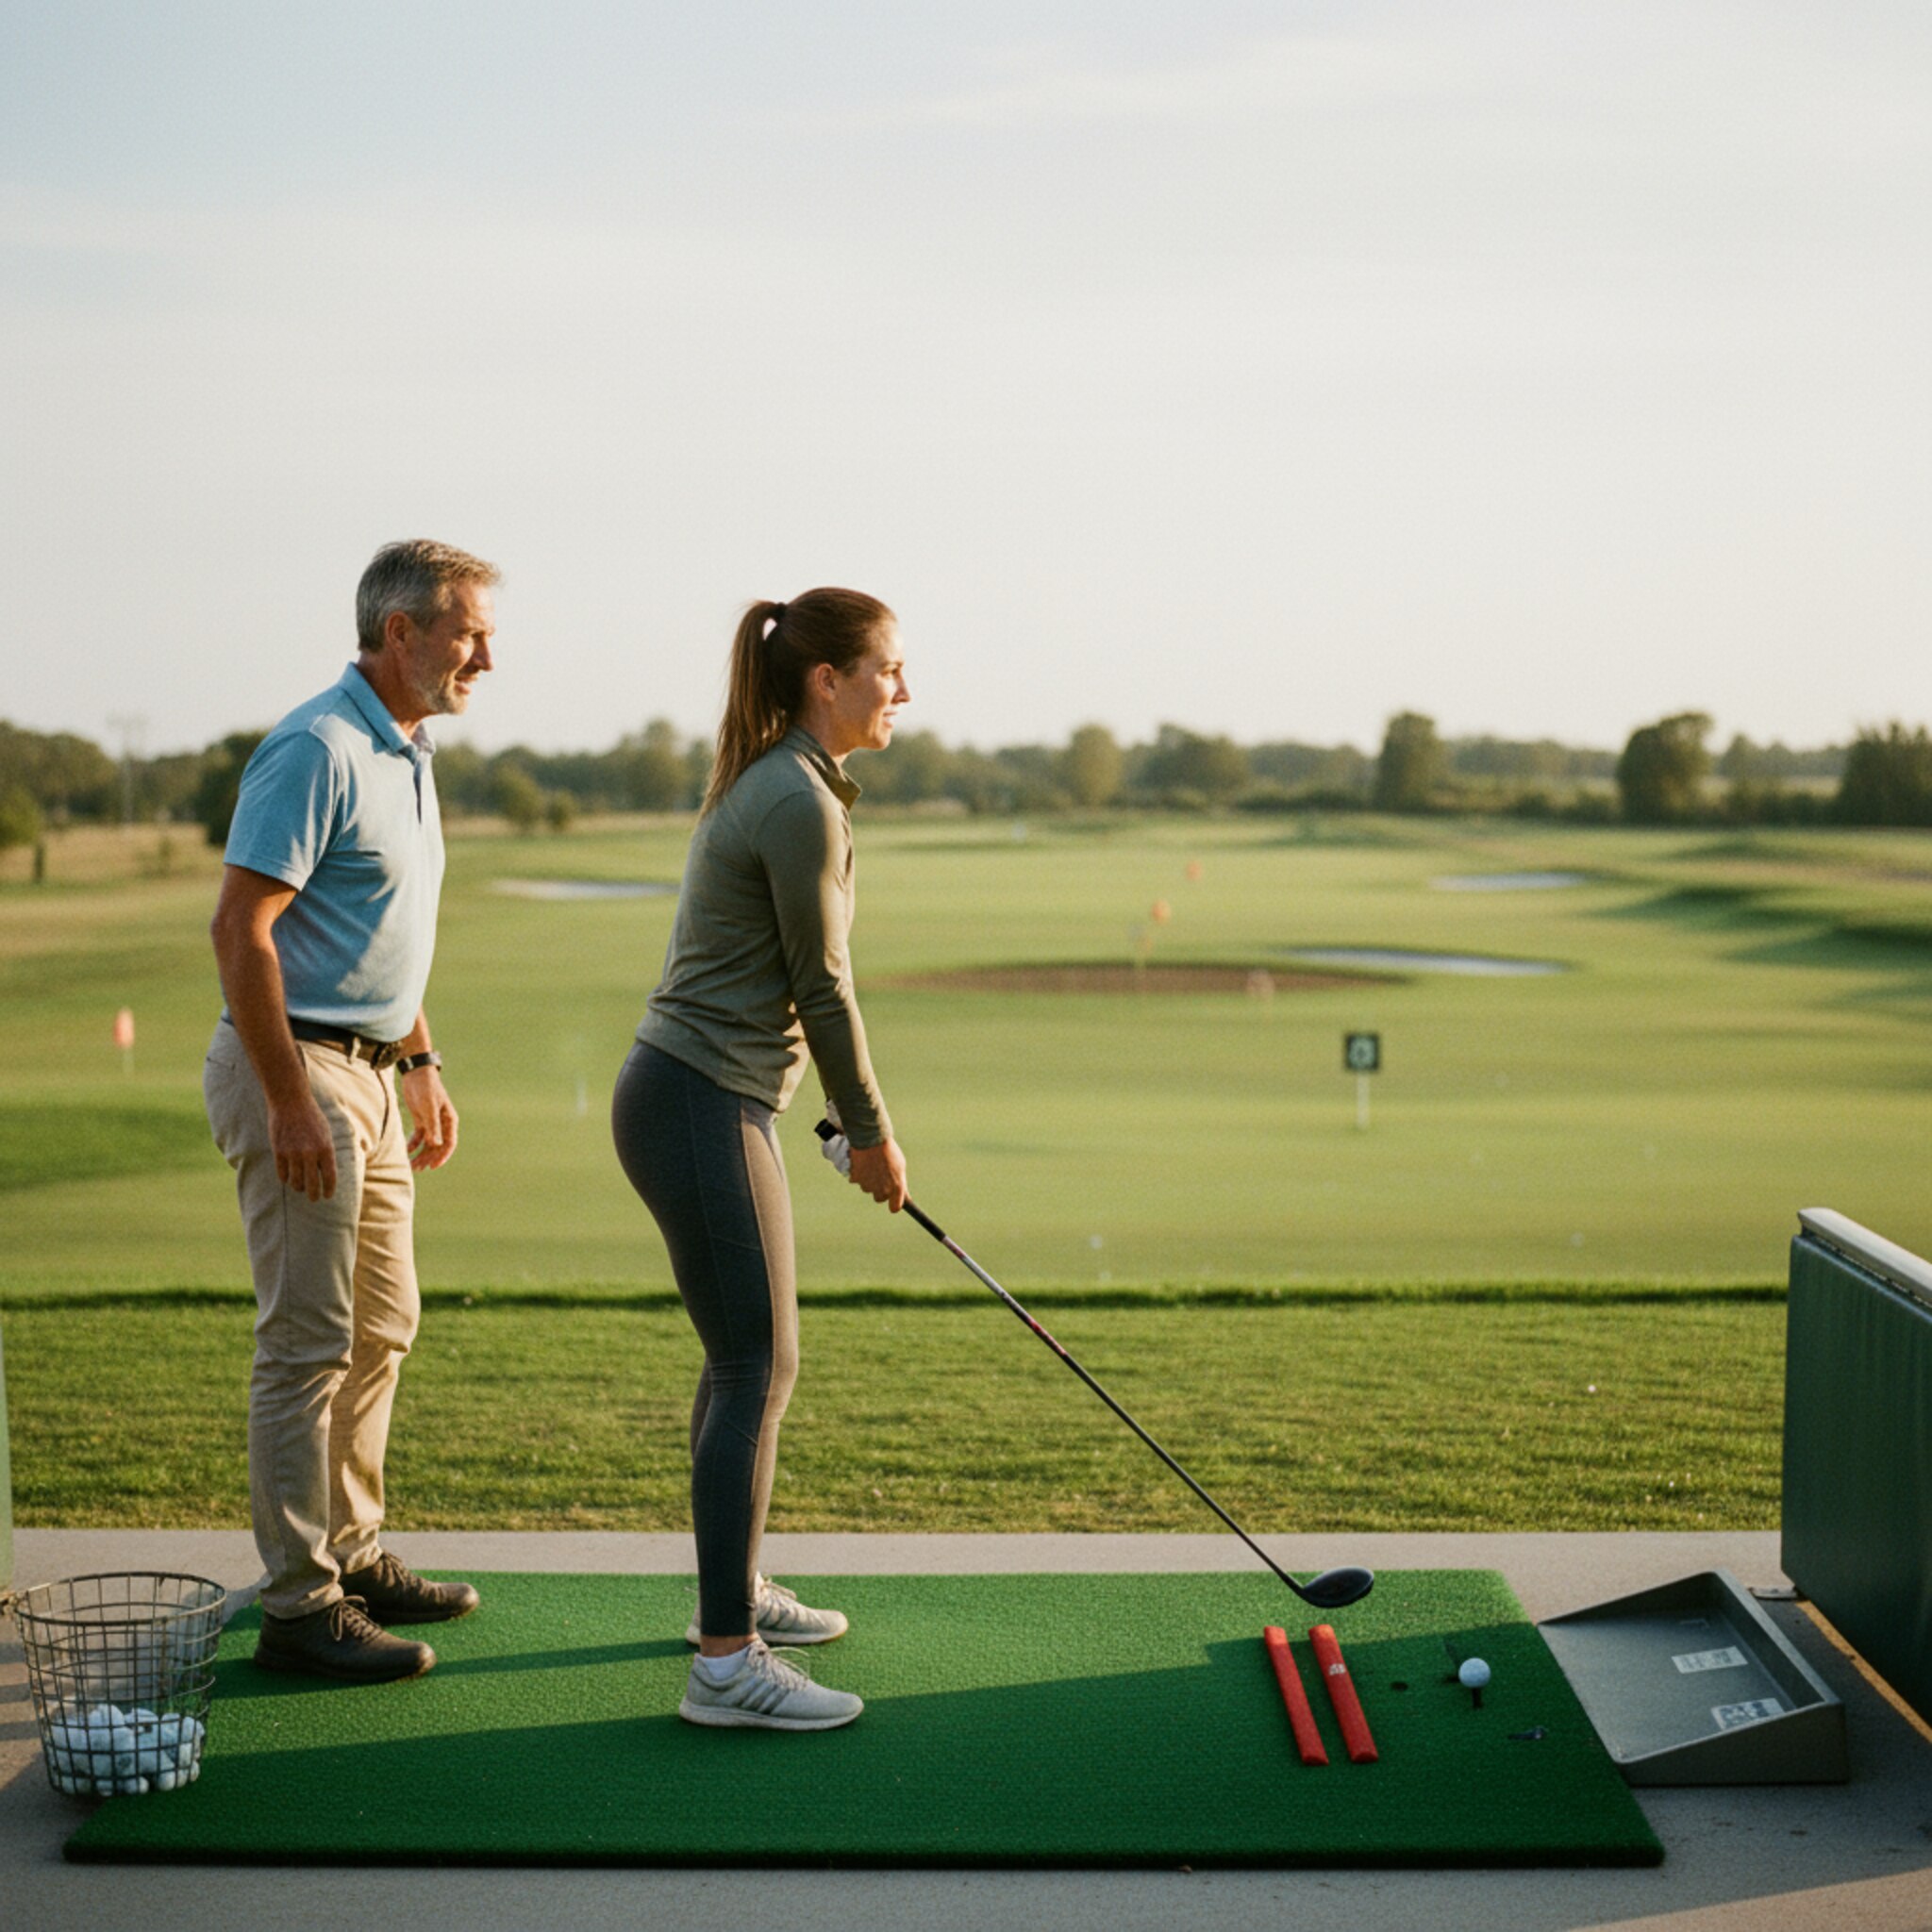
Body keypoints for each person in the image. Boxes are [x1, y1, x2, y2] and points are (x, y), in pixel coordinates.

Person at [612, 588, 910, 1732]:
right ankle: (726, 1663)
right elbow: (822, 987)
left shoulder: (787, 781)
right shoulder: (794, 796)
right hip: (698, 1099)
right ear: (825, 678)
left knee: (742, 1357)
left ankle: (728, 1597)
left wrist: (835, 1121)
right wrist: (869, 1128)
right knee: (758, 1362)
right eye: (886, 667)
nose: (902, 688)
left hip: (698, 1096)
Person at [204, 539, 498, 1683]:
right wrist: (288, 1098)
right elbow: (242, 929)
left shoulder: (408, 751)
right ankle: (299, 1601)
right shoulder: (317, 746)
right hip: (301, 1070)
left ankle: (353, 1550)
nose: (486, 656)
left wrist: (419, 1057)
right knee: (307, 1342)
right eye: (469, 633)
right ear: (400, 632)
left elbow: (377, 931)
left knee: (383, 1325)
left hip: (372, 1070)